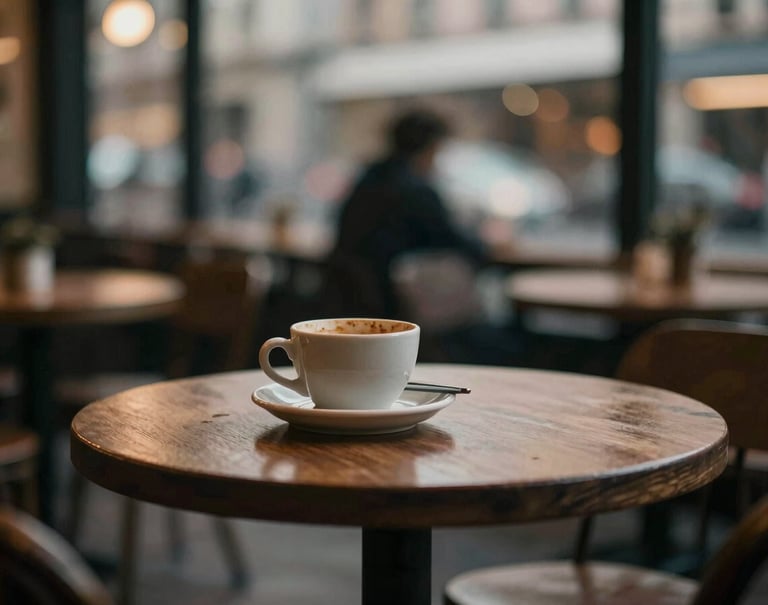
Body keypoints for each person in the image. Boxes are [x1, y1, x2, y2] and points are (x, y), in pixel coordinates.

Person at [325, 108, 488, 318]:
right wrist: (486, 243)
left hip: (351, 295)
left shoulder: (369, 177)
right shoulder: (415, 190)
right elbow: (454, 241)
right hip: (393, 304)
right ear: (432, 147)